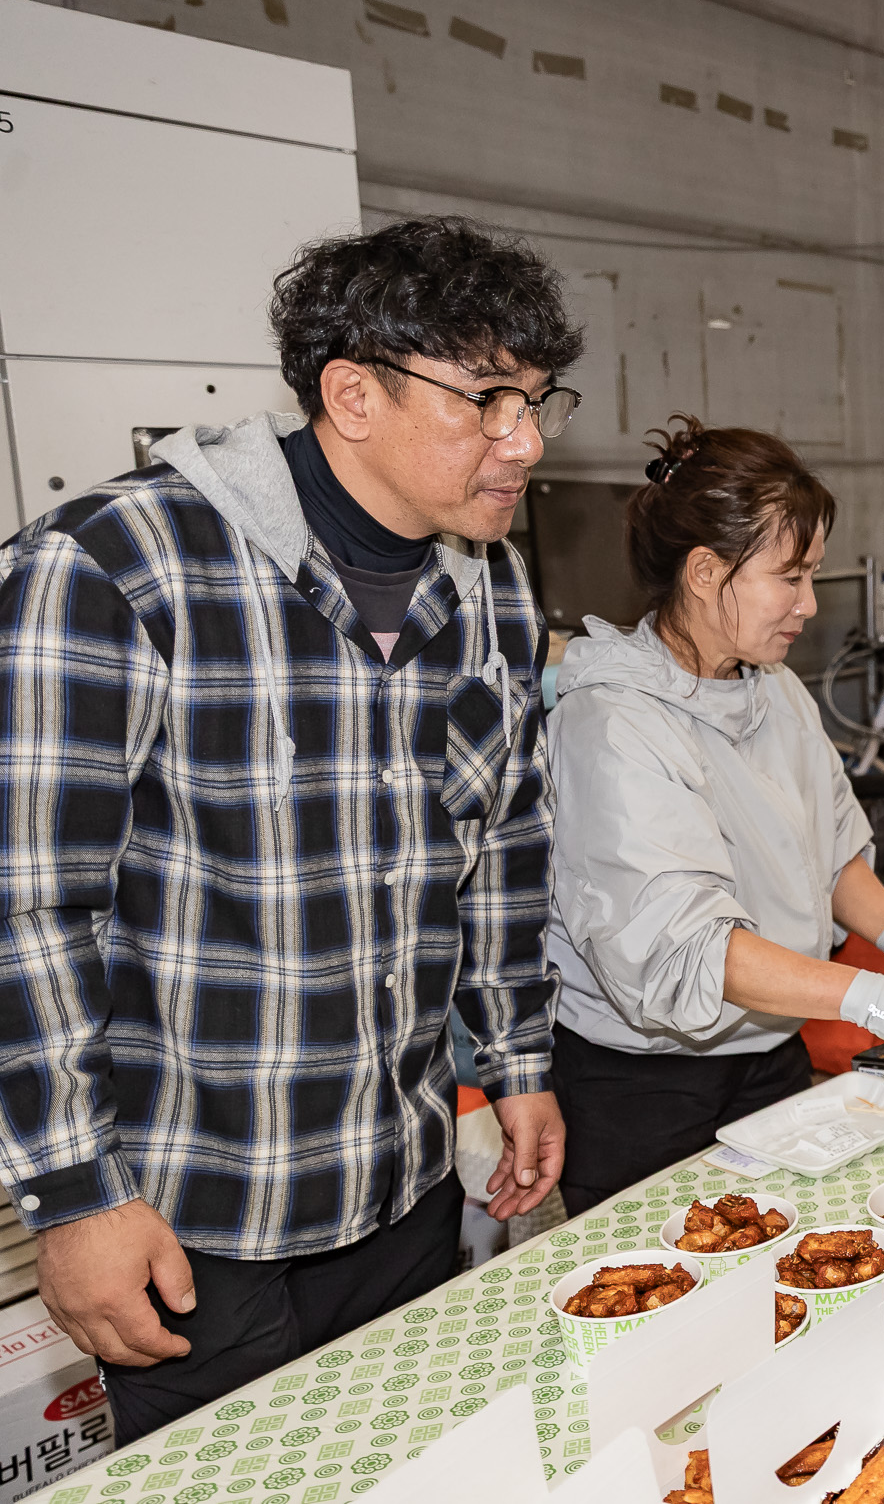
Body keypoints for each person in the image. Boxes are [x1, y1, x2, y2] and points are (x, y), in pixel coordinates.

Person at [0, 218, 575, 1441]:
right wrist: (74, 1193)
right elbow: (29, 902)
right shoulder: (115, 565)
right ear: (353, 394)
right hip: (193, 1218)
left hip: (404, 1180)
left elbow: (503, 850)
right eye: (487, 399)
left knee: (418, 1458)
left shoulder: (492, 588)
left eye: (536, 401)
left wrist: (516, 1059)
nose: (524, 439)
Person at [544, 419, 884, 1217]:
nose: (808, 605)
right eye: (789, 577)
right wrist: (873, 998)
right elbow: (691, 949)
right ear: (704, 570)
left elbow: (827, 851)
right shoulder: (613, 722)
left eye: (811, 575)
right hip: (644, 1089)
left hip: (773, 1048)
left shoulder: (773, 687)